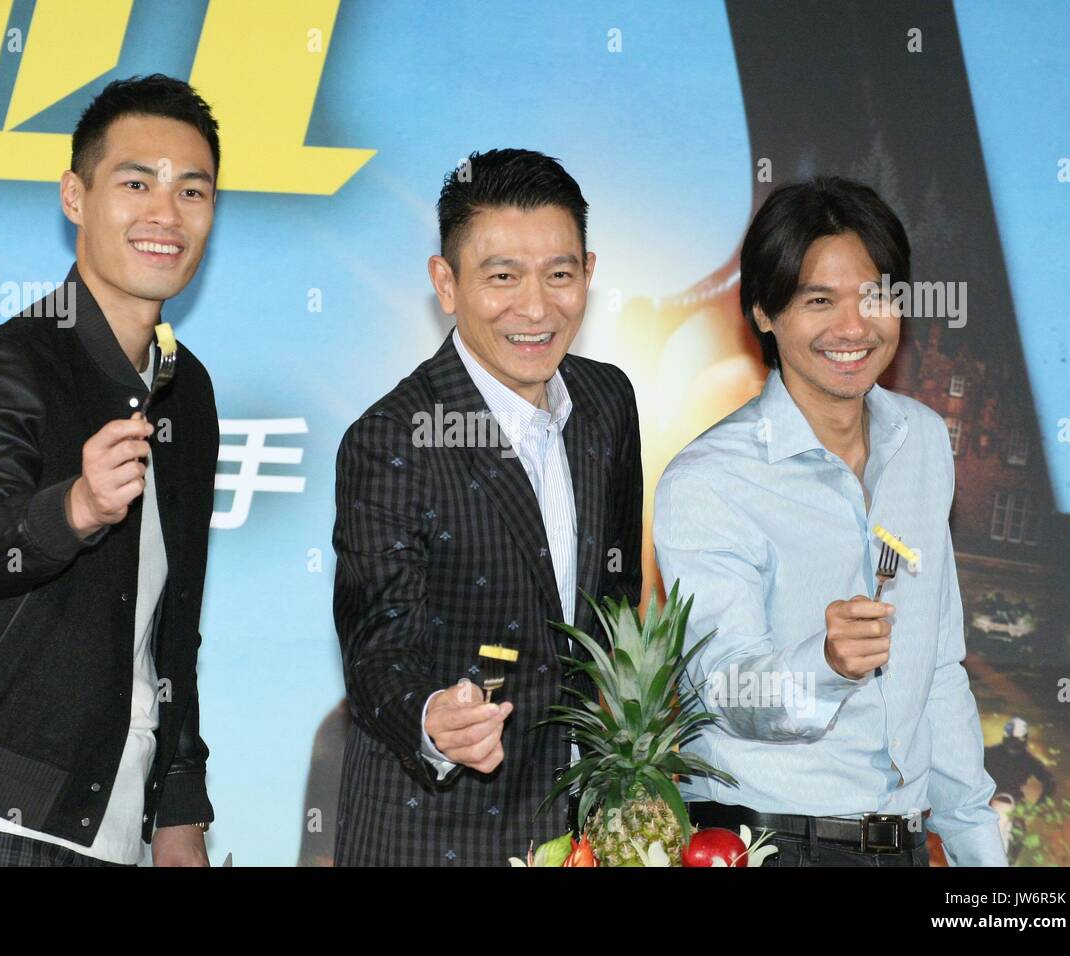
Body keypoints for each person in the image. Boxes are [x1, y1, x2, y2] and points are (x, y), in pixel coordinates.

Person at [0, 74, 221, 867]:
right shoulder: (10, 362)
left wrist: (179, 810)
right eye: (135, 184)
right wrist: (73, 507)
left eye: (192, 191)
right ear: (75, 196)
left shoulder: (188, 389)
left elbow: (171, 625)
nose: (166, 214)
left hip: (114, 828)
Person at [654, 176, 1006, 866]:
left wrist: (979, 854)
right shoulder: (709, 479)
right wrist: (826, 663)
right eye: (819, 301)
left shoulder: (922, 442)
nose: (853, 327)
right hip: (769, 843)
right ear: (763, 311)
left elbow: (937, 667)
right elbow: (723, 690)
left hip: (902, 845)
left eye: (874, 296)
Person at [332, 148, 642, 866]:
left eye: (559, 274)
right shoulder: (393, 438)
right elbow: (378, 646)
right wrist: (432, 718)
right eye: (502, 276)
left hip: (578, 835)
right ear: (446, 283)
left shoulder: (607, 402)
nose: (535, 308)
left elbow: (616, 602)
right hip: (434, 836)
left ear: (589, 273)